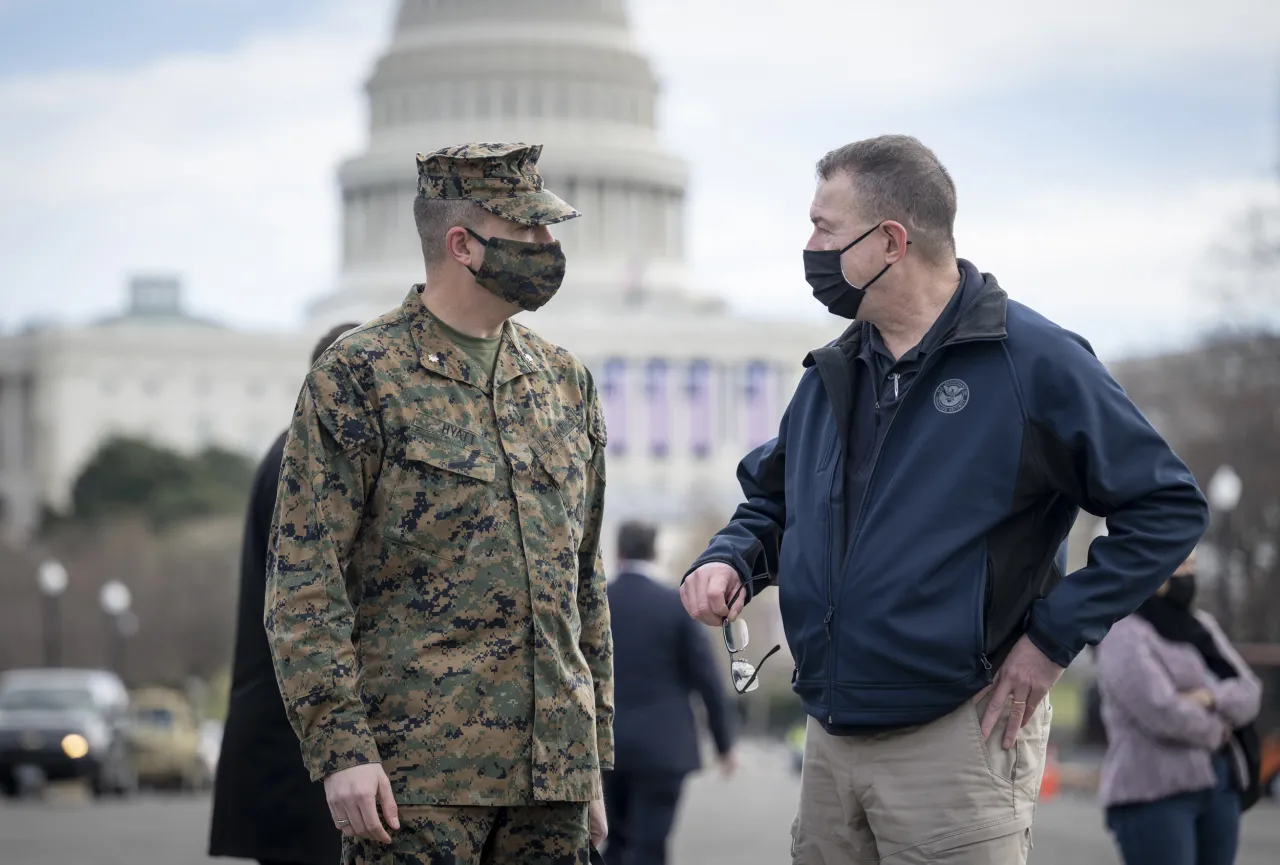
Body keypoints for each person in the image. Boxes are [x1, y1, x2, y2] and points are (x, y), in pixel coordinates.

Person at [679, 135, 1210, 864]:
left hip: (957, 742)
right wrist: (730, 557)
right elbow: (771, 504)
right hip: (832, 748)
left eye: (825, 229)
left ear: (890, 241)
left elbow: (1169, 506)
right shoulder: (833, 373)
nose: (809, 247)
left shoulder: (1033, 362)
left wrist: (1053, 640)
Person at [265, 143, 613, 865]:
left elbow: (582, 582)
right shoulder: (359, 378)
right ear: (462, 244)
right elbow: (304, 582)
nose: (550, 249)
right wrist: (342, 750)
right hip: (416, 781)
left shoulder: (563, 382)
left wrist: (589, 756)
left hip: (550, 781)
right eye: (530, 234)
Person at [209, 320, 358, 865]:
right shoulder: (307, 458)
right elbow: (310, 609)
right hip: (297, 751)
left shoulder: (292, 449)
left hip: (287, 744)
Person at [1098, 550, 1262, 865]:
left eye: (1193, 565)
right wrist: (1220, 729)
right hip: (1153, 793)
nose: (1188, 574)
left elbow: (1250, 692)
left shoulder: (1202, 626)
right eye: (1181, 564)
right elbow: (1161, 711)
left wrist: (1209, 697)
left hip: (1218, 786)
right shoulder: (1123, 631)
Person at [604, 520, 737, 865]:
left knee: (614, 841)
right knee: (651, 846)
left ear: (618, 552)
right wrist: (725, 745)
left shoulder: (597, 602)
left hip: (605, 745)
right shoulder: (675, 605)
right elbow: (707, 680)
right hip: (664, 749)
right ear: (655, 552)